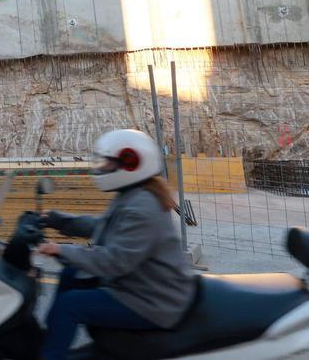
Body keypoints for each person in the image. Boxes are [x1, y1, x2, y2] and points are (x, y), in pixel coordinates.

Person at [36, 129, 195, 360]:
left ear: (130, 164)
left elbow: (115, 260)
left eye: (106, 163)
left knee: (69, 306)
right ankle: (52, 341)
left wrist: (60, 249)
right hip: (141, 286)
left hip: (153, 301)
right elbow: (104, 226)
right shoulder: (135, 193)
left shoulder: (142, 206)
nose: (101, 169)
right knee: (71, 274)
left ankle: (51, 354)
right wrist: (58, 220)